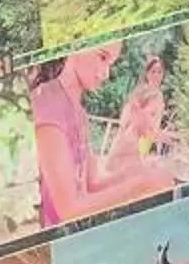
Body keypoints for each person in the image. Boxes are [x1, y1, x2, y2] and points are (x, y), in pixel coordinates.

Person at [31, 44, 176, 227]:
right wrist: (140, 184)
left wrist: (141, 172)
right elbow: (68, 209)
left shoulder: (79, 113)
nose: (107, 73)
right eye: (102, 57)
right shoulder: (47, 100)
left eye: (111, 63)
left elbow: (94, 184)